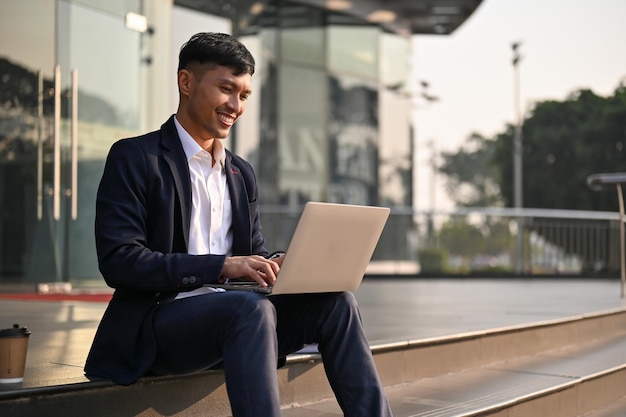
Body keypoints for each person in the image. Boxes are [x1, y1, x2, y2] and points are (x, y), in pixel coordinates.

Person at [84, 32, 392, 417]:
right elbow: (120, 260)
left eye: (244, 95)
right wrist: (221, 265)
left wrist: (275, 264)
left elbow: (252, 254)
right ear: (186, 82)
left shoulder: (239, 172)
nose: (235, 105)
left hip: (239, 320)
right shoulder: (136, 157)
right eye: (226, 89)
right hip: (160, 323)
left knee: (338, 304)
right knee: (250, 309)